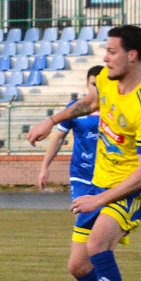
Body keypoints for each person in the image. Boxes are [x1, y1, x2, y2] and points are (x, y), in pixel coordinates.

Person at [27, 25, 141, 281]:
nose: (105, 57)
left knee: (97, 247)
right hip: (100, 184)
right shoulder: (106, 79)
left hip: (132, 188)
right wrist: (52, 121)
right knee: (78, 267)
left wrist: (98, 200)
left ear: (132, 56)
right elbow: (90, 101)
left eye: (112, 51)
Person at [36, 65, 104, 195]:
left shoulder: (115, 110)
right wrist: (44, 168)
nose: (97, 88)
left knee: (106, 215)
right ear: (87, 85)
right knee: (82, 214)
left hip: (109, 176)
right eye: (93, 84)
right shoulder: (74, 109)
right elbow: (58, 137)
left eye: (100, 84)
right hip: (81, 174)